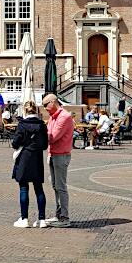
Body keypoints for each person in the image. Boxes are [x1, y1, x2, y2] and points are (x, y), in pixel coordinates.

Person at [11, 100, 49, 228]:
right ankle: (42, 219)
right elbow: (45, 144)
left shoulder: (22, 124)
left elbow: (15, 143)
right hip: (37, 157)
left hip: (24, 157)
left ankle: (24, 218)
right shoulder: (42, 125)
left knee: (23, 188)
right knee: (39, 188)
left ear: (25, 110)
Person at [43, 94, 74, 226]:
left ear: (53, 102)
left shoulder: (64, 117)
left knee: (61, 186)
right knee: (55, 186)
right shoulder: (53, 117)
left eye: (46, 105)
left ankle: (64, 217)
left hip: (61, 155)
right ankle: (59, 214)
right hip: (53, 154)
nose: (45, 108)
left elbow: (53, 137)